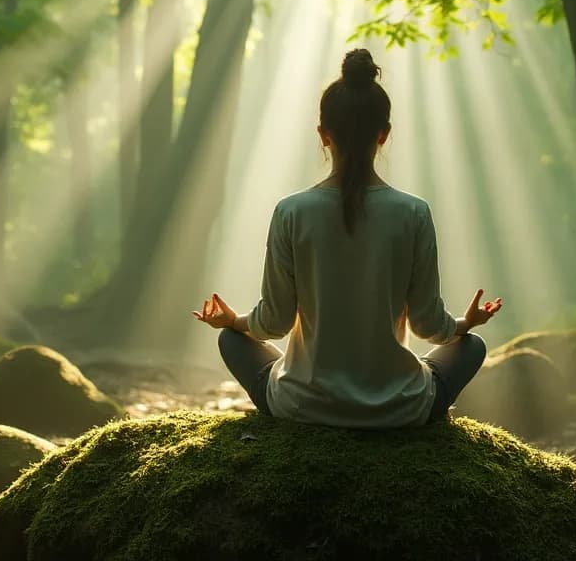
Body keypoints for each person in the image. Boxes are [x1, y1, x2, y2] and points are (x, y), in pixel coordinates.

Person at [191, 48, 503, 428]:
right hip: (398, 409)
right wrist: (463, 324)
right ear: (384, 135)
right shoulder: (413, 213)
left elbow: (273, 323)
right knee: (472, 348)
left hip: (302, 405)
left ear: (323, 135)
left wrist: (233, 320)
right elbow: (428, 327)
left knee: (230, 340)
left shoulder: (291, 211)